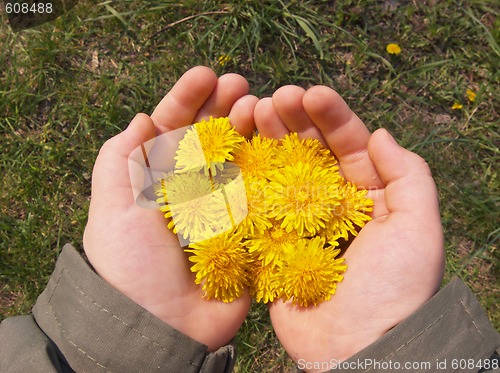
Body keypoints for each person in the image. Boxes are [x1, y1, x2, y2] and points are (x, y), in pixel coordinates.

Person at [0, 66, 498, 373]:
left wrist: (103, 341)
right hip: (233, 233)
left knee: (184, 170)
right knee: (190, 176)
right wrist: (398, 352)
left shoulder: (305, 200)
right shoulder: (218, 220)